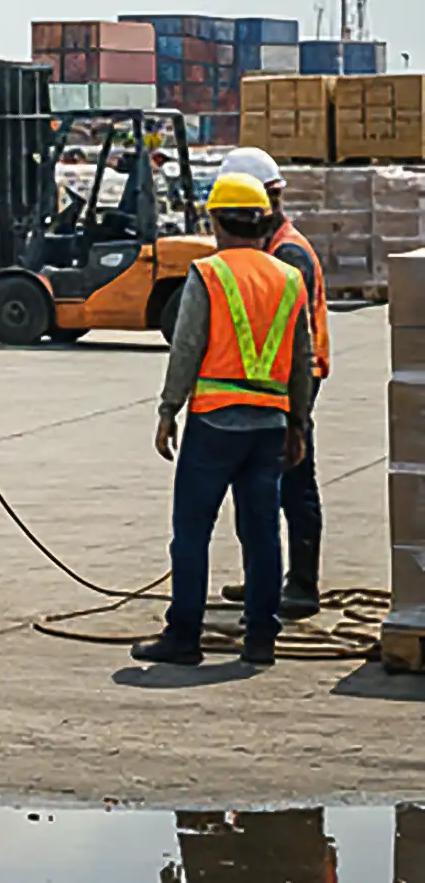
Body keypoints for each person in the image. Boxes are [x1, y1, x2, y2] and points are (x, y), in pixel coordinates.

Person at [131, 172, 314, 667]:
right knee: (261, 533)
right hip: (270, 425)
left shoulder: (207, 274)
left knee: (192, 531)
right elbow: (302, 358)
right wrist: (298, 423)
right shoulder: (289, 278)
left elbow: (186, 346)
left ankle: (184, 636)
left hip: (214, 423)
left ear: (215, 221)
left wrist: (168, 409)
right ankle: (260, 639)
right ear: (264, 220)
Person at [217, 145, 325, 621]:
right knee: (258, 487)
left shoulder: (289, 254)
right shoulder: (271, 248)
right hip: (266, 384)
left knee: (294, 483)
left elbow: (294, 340)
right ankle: (264, 576)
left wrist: (292, 411)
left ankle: (301, 585)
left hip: (294, 382)